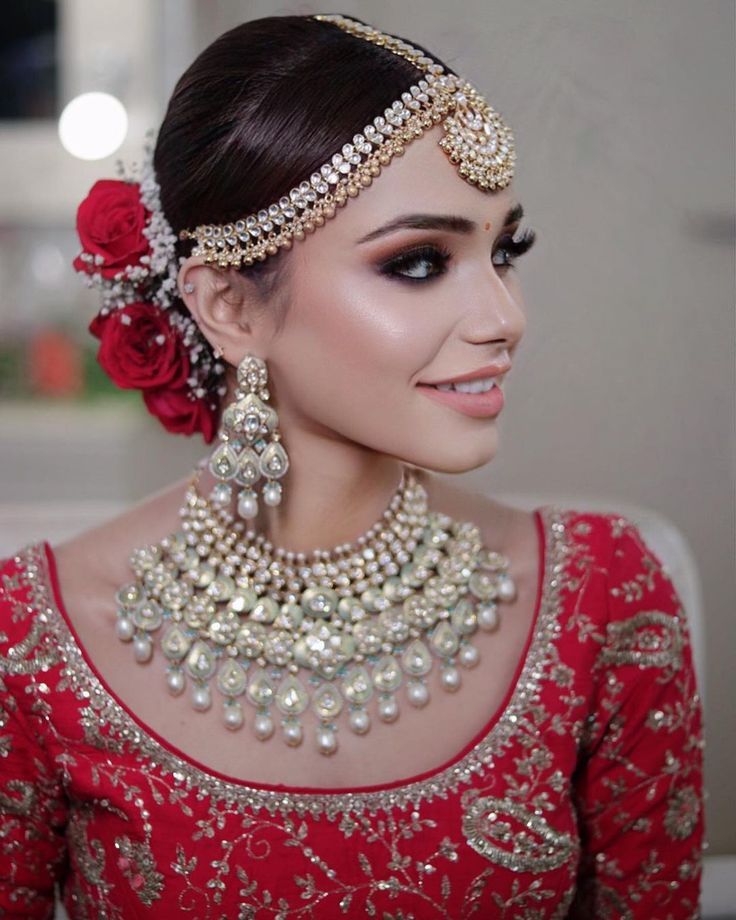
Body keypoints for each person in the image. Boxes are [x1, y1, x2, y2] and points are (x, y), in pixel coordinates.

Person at [0, 13, 705, 918]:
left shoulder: (604, 597)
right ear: (229, 306)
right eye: (419, 261)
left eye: (504, 251)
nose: (504, 316)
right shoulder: (35, 641)